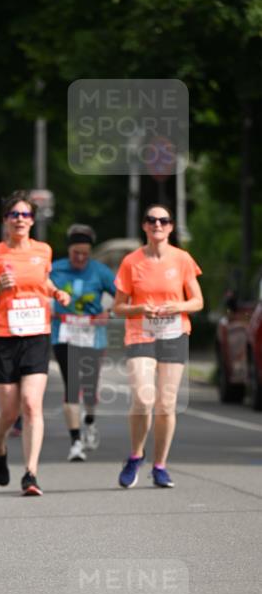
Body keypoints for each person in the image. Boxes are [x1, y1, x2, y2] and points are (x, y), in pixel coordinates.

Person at [0, 191, 70, 496]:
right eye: (14, 215)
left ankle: (30, 473)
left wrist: (56, 292)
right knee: (9, 412)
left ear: (33, 220)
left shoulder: (43, 251)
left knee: (32, 404)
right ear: (5, 220)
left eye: (26, 215)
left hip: (36, 333)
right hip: (2, 337)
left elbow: (42, 281)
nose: (20, 219)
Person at [113, 204, 203, 488]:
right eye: (151, 220)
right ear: (144, 226)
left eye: (164, 220)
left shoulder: (182, 259)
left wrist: (178, 306)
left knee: (166, 404)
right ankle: (135, 455)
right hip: (140, 333)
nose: (158, 224)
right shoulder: (131, 262)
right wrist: (140, 308)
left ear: (171, 226)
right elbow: (118, 307)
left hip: (174, 333)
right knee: (143, 398)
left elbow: (198, 301)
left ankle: (160, 465)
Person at [50, 224, 117, 461]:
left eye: (85, 254)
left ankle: (89, 421)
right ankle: (75, 442)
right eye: (75, 253)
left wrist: (108, 313)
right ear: (68, 251)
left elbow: (123, 295)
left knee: (89, 388)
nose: (80, 258)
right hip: (63, 334)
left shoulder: (100, 271)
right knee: (72, 384)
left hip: (92, 335)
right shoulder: (55, 269)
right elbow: (37, 289)